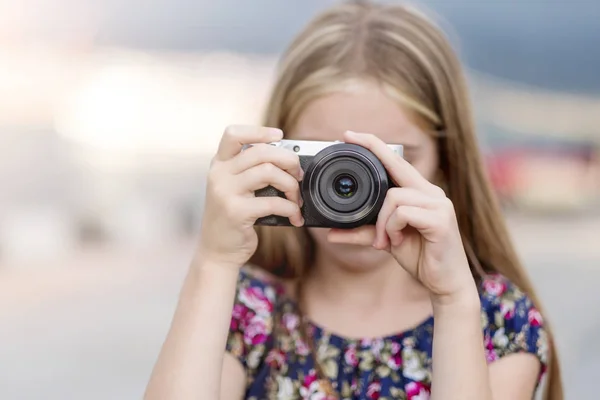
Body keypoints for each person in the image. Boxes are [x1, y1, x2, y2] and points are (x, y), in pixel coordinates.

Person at [144, 1, 563, 399]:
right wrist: (214, 261)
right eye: (327, 158)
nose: (356, 186)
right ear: (280, 152)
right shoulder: (248, 309)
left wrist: (453, 303)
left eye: (389, 158)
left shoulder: (497, 319)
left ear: (445, 163)